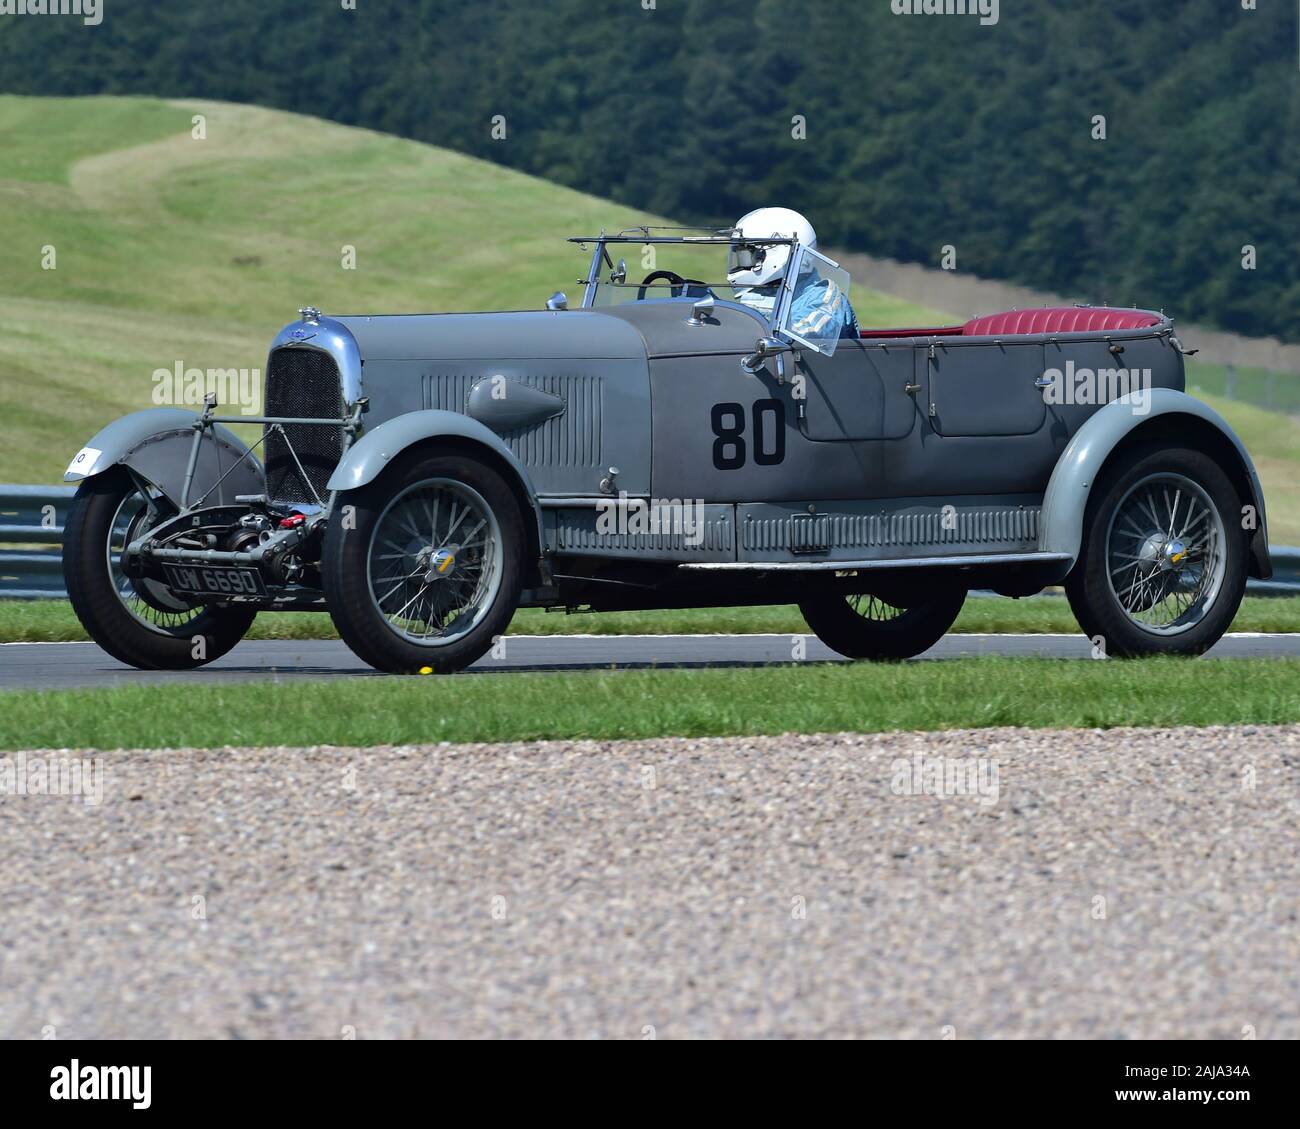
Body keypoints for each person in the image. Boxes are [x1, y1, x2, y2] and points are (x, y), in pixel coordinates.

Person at [726, 207, 858, 338]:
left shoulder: (825, 298)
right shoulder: (759, 294)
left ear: (779, 254)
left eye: (747, 256)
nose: (743, 264)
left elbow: (804, 336)